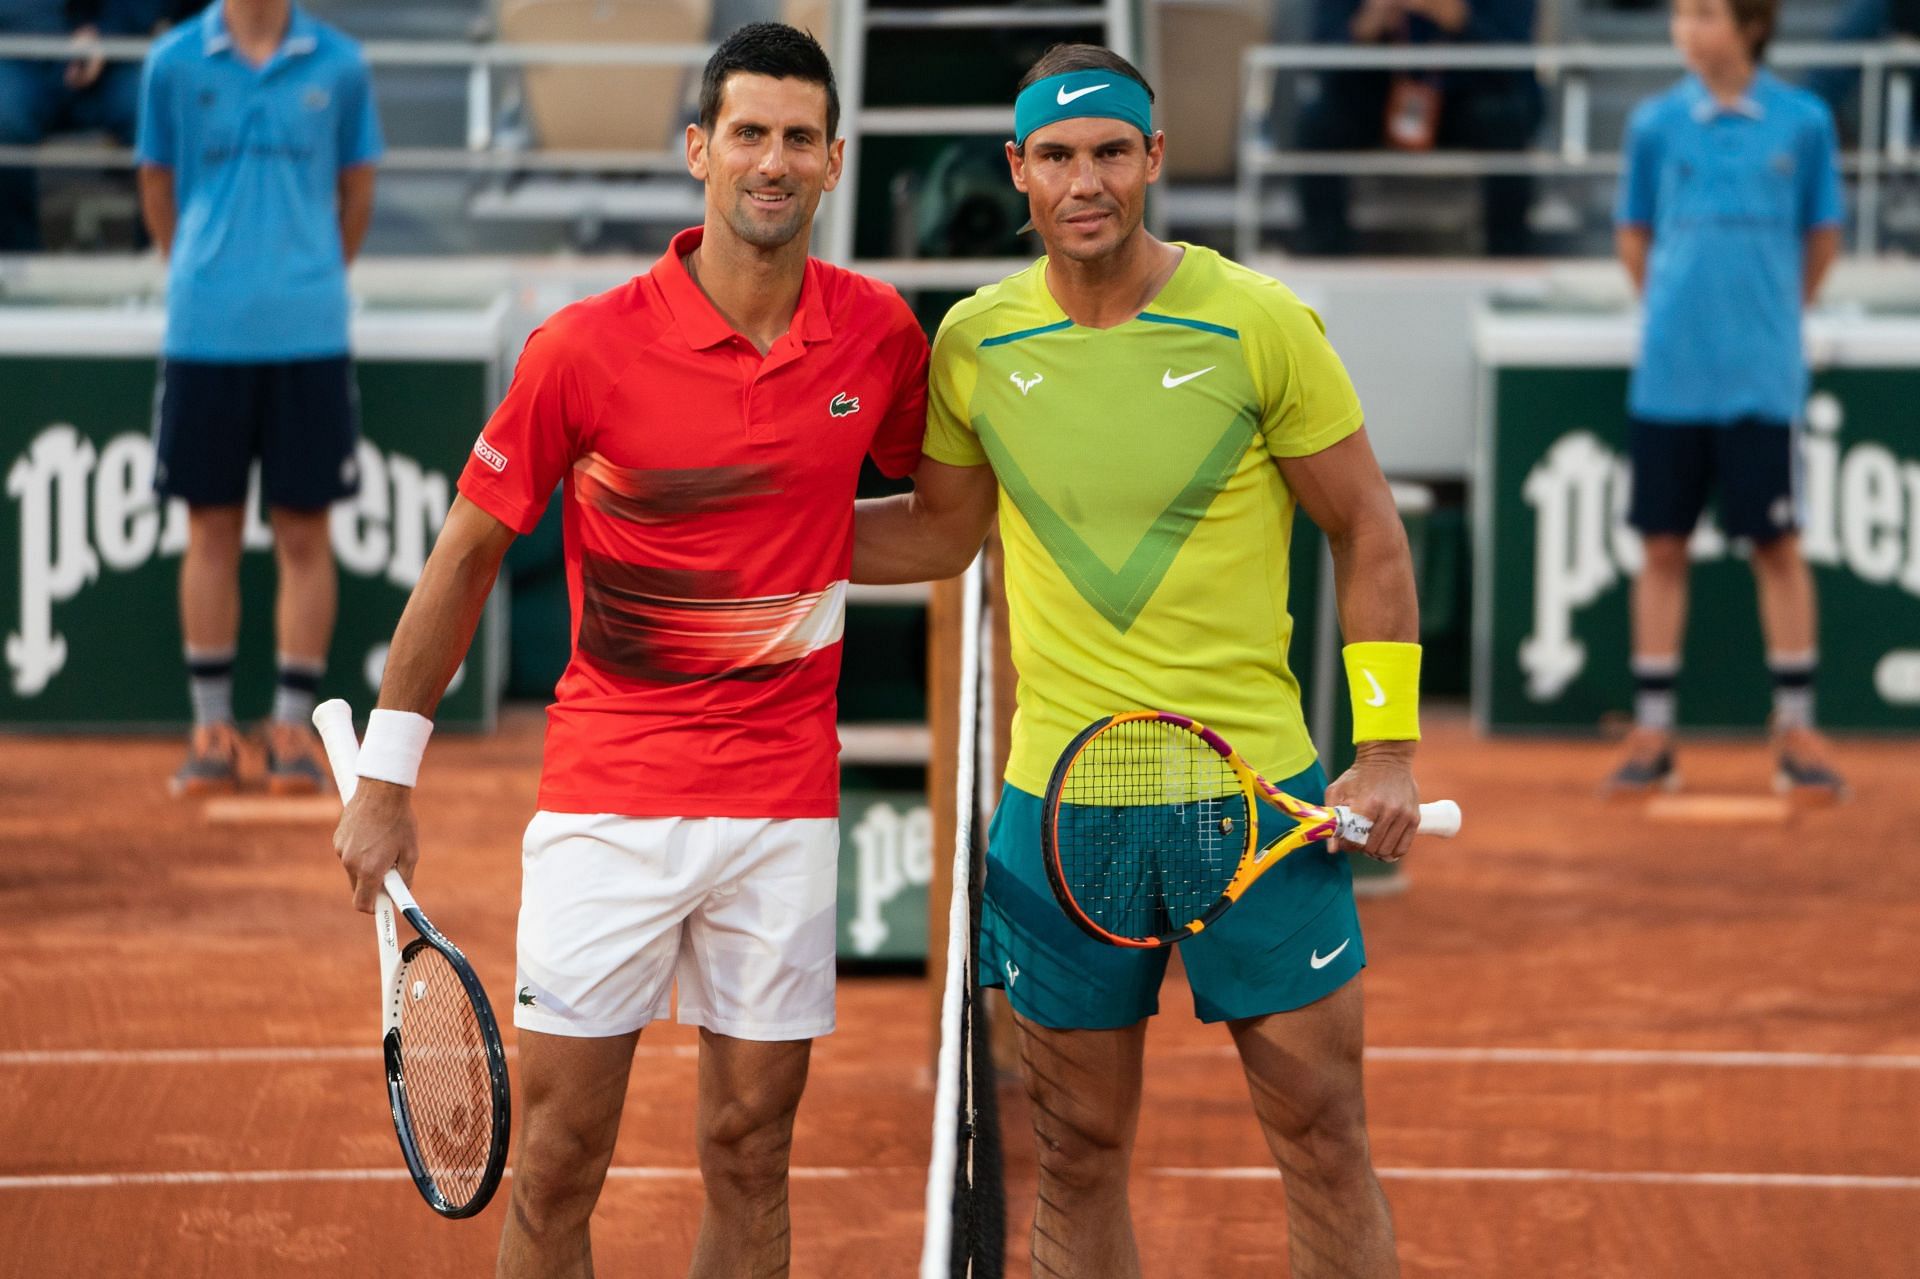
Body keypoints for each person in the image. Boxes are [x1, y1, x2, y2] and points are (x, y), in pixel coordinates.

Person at [331, 24, 929, 1278]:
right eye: (749, 134)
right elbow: (464, 558)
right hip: (613, 803)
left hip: (784, 807)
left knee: (754, 1148)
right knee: (557, 1163)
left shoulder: (879, 336)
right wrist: (386, 779)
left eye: (799, 138)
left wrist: (801, 541)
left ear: (834, 162)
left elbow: (941, 520)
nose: (774, 160)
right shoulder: (583, 348)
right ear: (700, 152)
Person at [854, 43, 1429, 1278]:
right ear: (1017, 170)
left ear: (1155, 158)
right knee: (1071, 1160)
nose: (1086, 180)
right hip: (1062, 821)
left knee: (1324, 1137)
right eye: (1056, 156)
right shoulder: (974, 343)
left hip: (1257, 802)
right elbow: (942, 532)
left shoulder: (1259, 322)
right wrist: (746, 532)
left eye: (1111, 150)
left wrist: (1385, 748)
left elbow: (1367, 527)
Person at [137, 0, 382, 795]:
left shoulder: (340, 66)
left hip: (308, 332)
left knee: (303, 530)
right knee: (208, 525)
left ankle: (289, 727)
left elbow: (356, 192)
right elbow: (157, 188)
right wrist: (207, 275)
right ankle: (211, 727)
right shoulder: (171, 64)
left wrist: (302, 277)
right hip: (204, 332)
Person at [1608, 0, 1847, 799]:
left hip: (1762, 382)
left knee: (1777, 547)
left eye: (1705, 12)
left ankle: (1797, 727)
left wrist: (1765, 321)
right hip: (1668, 381)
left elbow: (1823, 237)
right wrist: (1678, 317)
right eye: (1679, 13)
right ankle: (1651, 733)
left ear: (1751, 25)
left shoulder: (1805, 122)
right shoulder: (1652, 124)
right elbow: (1632, 234)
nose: (1686, 26)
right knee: (1662, 547)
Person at [1294, 0, 1542, 256]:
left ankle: (1509, 259)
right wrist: (1365, 26)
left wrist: (1460, 19)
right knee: (1319, 125)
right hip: (1375, 96)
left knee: (1504, 122)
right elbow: (1321, 59)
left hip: (1465, 95)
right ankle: (1325, 255)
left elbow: (1516, 67)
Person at [0, 1, 194, 250]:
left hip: (117, 56)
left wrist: (105, 32)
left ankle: (157, 262)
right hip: (21, 56)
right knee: (4, 123)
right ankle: (15, 268)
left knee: (162, 114)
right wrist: (56, 39)